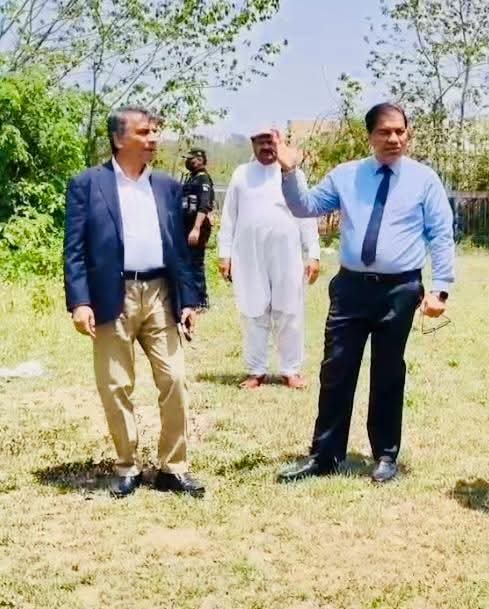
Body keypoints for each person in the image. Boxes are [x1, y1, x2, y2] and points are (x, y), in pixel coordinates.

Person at [273, 102, 454, 484]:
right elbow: (305, 207)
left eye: (400, 131)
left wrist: (440, 289)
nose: (394, 139)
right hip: (351, 288)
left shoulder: (424, 180)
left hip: (400, 290)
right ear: (369, 135)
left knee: (388, 372)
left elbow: (441, 235)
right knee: (336, 370)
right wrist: (289, 172)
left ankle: (385, 455)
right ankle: (325, 455)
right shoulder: (347, 176)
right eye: (385, 132)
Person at [63, 106, 205, 498]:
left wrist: (188, 300)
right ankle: (127, 465)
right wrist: (80, 302)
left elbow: (179, 250)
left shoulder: (167, 187)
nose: (153, 138)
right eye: (144, 132)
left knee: (174, 378)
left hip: (160, 292)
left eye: (155, 131)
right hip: (112, 295)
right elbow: (74, 250)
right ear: (118, 138)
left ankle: (173, 468)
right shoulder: (87, 184)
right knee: (116, 384)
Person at [217, 127, 321, 389]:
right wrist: (224, 254)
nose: (266, 147)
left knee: (290, 310)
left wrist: (313, 253)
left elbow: (307, 216)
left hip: (287, 253)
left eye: (271, 142)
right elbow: (229, 217)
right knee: (253, 311)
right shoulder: (241, 174)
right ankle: (256, 371)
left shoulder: (293, 174)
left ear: (280, 143)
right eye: (260, 142)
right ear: (252, 144)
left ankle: (290, 370)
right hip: (248, 255)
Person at [181, 148, 215, 308]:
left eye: (191, 159)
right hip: (186, 226)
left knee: (195, 264)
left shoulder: (203, 179)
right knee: (187, 263)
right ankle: (190, 299)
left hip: (197, 228)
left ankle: (201, 301)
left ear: (200, 160)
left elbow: (204, 205)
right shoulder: (192, 178)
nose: (188, 162)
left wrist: (196, 228)